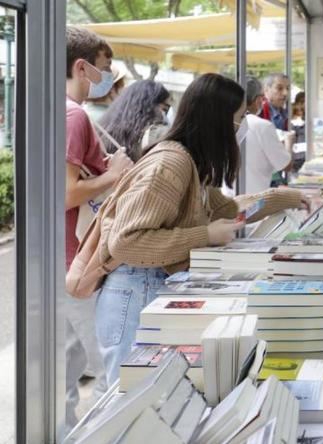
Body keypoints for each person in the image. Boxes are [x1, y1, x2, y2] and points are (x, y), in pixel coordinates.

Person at [91, 73, 308, 384]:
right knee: (130, 397)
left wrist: (286, 197)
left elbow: (229, 208)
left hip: (149, 286)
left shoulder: (191, 162)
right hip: (135, 292)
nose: (242, 125)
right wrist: (205, 235)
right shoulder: (171, 164)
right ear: (216, 120)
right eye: (239, 117)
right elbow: (126, 242)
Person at [64, 26, 134, 429]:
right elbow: (67, 193)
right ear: (82, 66)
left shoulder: (59, 111)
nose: (105, 77)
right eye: (103, 68)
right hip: (79, 258)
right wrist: (115, 174)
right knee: (107, 370)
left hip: (67, 256)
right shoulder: (74, 116)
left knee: (67, 369)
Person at [223, 77, 291, 196]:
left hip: (226, 199)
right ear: (258, 99)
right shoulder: (262, 126)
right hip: (254, 201)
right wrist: (289, 142)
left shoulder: (221, 123)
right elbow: (286, 165)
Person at [98, 79, 172, 161]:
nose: (165, 115)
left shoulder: (104, 129)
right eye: (165, 109)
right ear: (147, 107)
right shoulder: (153, 136)